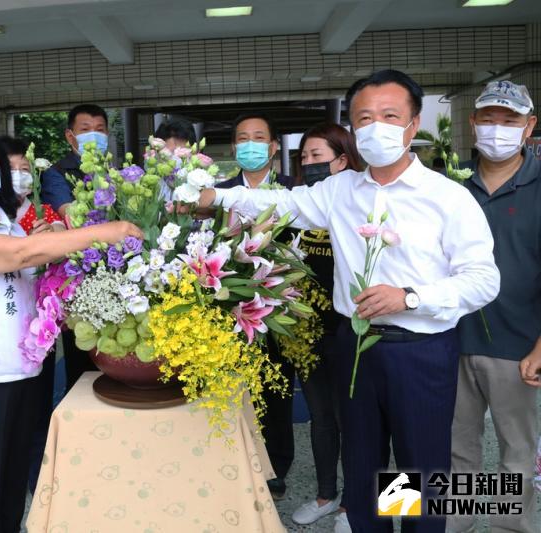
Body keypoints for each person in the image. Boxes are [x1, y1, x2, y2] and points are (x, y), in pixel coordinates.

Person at [195, 69, 501, 533]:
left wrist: (411, 296)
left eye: (389, 115)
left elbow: (482, 280)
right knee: (363, 462)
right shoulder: (340, 191)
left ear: (413, 125)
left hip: (418, 351)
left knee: (416, 463)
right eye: (364, 117)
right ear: (354, 130)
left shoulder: (447, 197)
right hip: (355, 345)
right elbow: (280, 204)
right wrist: (211, 196)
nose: (376, 126)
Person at [0, 130, 142, 532]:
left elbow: (25, 260)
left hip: (22, 369)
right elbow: (19, 256)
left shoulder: (8, 225)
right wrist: (104, 231)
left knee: (13, 476)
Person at [450, 80, 540, 533]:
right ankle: (456, 525)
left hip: (519, 344)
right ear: (473, 123)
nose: (497, 129)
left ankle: (511, 528)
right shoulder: (450, 183)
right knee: (456, 448)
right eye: (489, 119)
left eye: (510, 120)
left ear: (530, 126)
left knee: (515, 451)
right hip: (448, 340)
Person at [214, 113, 296, 500]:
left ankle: (276, 467)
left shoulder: (296, 192)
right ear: (233, 147)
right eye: (242, 137)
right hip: (228, 304)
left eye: (259, 137)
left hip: (279, 303)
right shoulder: (217, 193)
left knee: (276, 390)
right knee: (232, 389)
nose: (250, 144)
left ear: (274, 146)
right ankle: (234, 464)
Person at [290, 122, 365, 528]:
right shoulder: (301, 206)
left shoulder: (360, 203)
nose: (310, 164)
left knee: (354, 419)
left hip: (352, 330)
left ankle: (352, 504)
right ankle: (325, 493)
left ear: (343, 158)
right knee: (321, 418)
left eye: (318, 156)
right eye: (304, 158)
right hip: (308, 330)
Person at [1, 135, 64, 495]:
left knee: (38, 402)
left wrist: (51, 234)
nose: (20, 176)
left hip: (41, 322)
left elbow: (60, 238)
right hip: (1, 323)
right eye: (11, 169)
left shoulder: (42, 212)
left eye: (25, 169)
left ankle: (38, 483)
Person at [40, 104, 109, 390]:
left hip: (119, 276)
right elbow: (71, 216)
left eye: (100, 130)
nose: (94, 135)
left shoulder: (117, 171)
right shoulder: (56, 174)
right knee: (83, 361)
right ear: (70, 136)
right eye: (85, 130)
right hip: (78, 280)